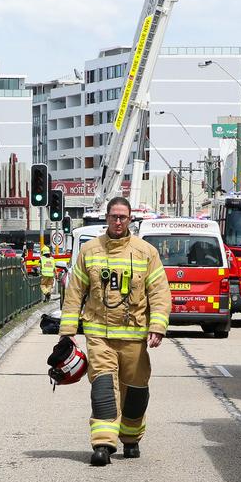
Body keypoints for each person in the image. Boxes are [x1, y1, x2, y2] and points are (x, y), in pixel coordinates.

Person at [58, 197, 172, 466]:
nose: (118, 221)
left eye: (123, 217)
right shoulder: (90, 251)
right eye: (114, 217)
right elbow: (75, 293)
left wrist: (157, 327)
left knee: (135, 391)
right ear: (106, 218)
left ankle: (131, 439)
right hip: (100, 338)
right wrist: (68, 330)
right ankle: (103, 445)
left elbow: (159, 293)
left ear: (129, 219)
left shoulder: (146, 252)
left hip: (134, 337)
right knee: (103, 388)